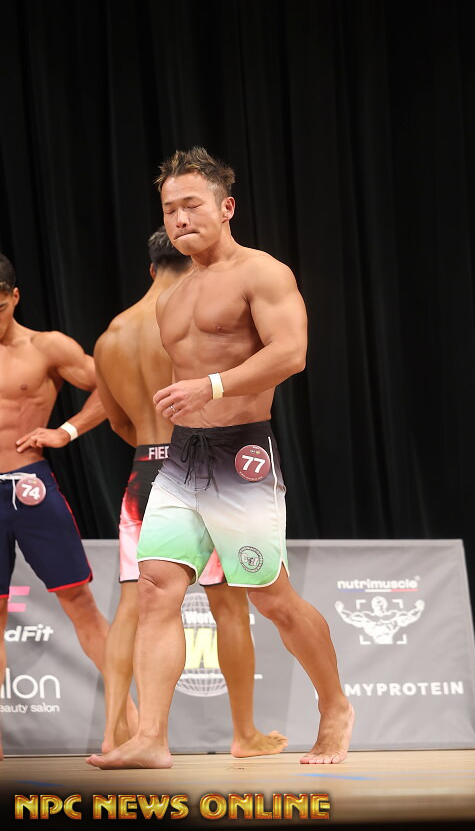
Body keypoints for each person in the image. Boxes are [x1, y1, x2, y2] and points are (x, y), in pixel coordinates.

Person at [88, 146, 354, 770]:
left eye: (192, 205)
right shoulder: (172, 297)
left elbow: (291, 353)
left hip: (241, 457)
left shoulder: (263, 272)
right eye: (169, 210)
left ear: (226, 207)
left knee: (270, 598)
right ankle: (151, 738)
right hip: (182, 459)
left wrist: (210, 387)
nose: (180, 218)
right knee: (156, 589)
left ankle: (335, 705)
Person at [93, 228, 287, 757]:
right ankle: (244, 734)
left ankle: (115, 733)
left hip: (144, 470)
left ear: (150, 269)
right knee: (228, 605)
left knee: (134, 605)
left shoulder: (111, 336)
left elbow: (117, 422)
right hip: (200, 463)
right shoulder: (186, 324)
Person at [0, 253, 119, 758]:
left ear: (15, 297)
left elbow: (112, 387)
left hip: (30, 484)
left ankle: (127, 725)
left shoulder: (46, 347)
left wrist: (66, 430)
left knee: (80, 604)